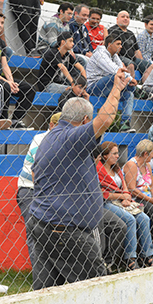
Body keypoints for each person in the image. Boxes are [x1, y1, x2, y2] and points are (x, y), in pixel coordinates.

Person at [28, 71, 129, 289]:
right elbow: (106, 119)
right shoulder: (73, 138)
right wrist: (117, 88)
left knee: (48, 291)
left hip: (46, 224)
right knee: (95, 288)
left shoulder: (51, 137)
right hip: (65, 231)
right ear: (84, 121)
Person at [96, 142, 153, 270]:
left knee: (144, 218)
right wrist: (122, 197)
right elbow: (103, 194)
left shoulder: (116, 168)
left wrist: (126, 196)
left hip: (122, 200)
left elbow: (124, 186)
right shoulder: (99, 170)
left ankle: (148, 256)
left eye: (118, 153)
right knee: (130, 219)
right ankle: (130, 258)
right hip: (107, 203)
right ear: (105, 156)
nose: (117, 156)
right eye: (114, 153)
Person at [16, 113, 62, 266]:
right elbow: (38, 172)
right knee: (34, 231)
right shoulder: (41, 139)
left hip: (49, 192)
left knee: (50, 233)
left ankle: (49, 273)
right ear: (52, 125)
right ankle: (39, 274)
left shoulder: (62, 142)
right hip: (30, 189)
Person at [84, 31, 137, 133]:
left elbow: (121, 69)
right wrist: (130, 79)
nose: (121, 46)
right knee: (116, 76)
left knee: (129, 94)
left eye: (121, 44)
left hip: (108, 88)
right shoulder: (100, 53)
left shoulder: (115, 56)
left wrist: (129, 79)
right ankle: (137, 90)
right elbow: (115, 70)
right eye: (118, 44)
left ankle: (125, 125)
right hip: (95, 87)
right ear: (109, 45)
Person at [108, 11, 153, 82]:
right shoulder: (113, 31)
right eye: (123, 17)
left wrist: (141, 62)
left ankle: (145, 88)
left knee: (150, 66)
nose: (125, 19)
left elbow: (137, 50)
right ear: (117, 19)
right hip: (119, 57)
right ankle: (131, 87)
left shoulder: (131, 33)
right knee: (131, 65)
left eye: (127, 17)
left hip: (133, 59)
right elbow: (112, 49)